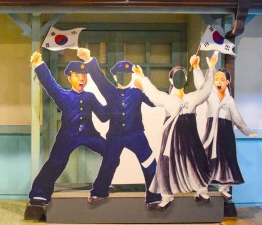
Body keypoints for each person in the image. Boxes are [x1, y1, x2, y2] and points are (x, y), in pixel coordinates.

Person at [77, 48, 161, 209]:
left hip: (136, 134)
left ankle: (154, 197)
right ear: (115, 76)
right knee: (109, 161)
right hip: (115, 136)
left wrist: (144, 83)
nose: (124, 76)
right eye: (121, 73)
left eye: (127, 73)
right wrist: (88, 59)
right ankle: (99, 191)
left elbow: (155, 102)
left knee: (149, 162)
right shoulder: (110, 92)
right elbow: (99, 78)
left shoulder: (137, 92)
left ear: (131, 76)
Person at [132, 51, 218, 209]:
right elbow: (153, 93)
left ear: (186, 79)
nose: (180, 78)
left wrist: (205, 68)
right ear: (171, 80)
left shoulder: (192, 97)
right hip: (171, 137)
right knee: (167, 164)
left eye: (182, 75)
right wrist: (143, 78)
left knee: (197, 160)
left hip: (190, 135)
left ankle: (202, 190)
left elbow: (206, 90)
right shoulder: (167, 98)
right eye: (176, 75)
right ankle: (167, 197)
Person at [28, 51, 108, 206]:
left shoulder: (90, 97)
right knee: (56, 162)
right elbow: (50, 84)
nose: (82, 79)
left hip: (90, 134)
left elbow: (104, 116)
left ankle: (103, 184)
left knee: (111, 152)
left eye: (84, 76)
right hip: (67, 136)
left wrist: (114, 103)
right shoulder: (63, 96)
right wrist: (39, 65)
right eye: (77, 75)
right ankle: (39, 192)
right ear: (70, 78)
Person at [191, 56, 258, 200]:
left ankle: (224, 187)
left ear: (227, 82)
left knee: (227, 159)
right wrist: (197, 68)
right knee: (205, 157)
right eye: (216, 79)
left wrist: (248, 132)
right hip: (212, 130)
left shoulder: (229, 101)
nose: (218, 82)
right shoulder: (210, 95)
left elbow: (237, 119)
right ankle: (202, 189)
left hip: (226, 132)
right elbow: (201, 85)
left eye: (222, 79)